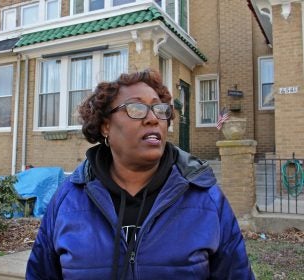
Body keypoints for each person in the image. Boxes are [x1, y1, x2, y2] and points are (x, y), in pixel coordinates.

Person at [26, 69, 255, 279]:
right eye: (136, 109)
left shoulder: (206, 199)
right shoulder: (68, 200)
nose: (153, 118)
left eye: (160, 109)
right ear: (106, 126)